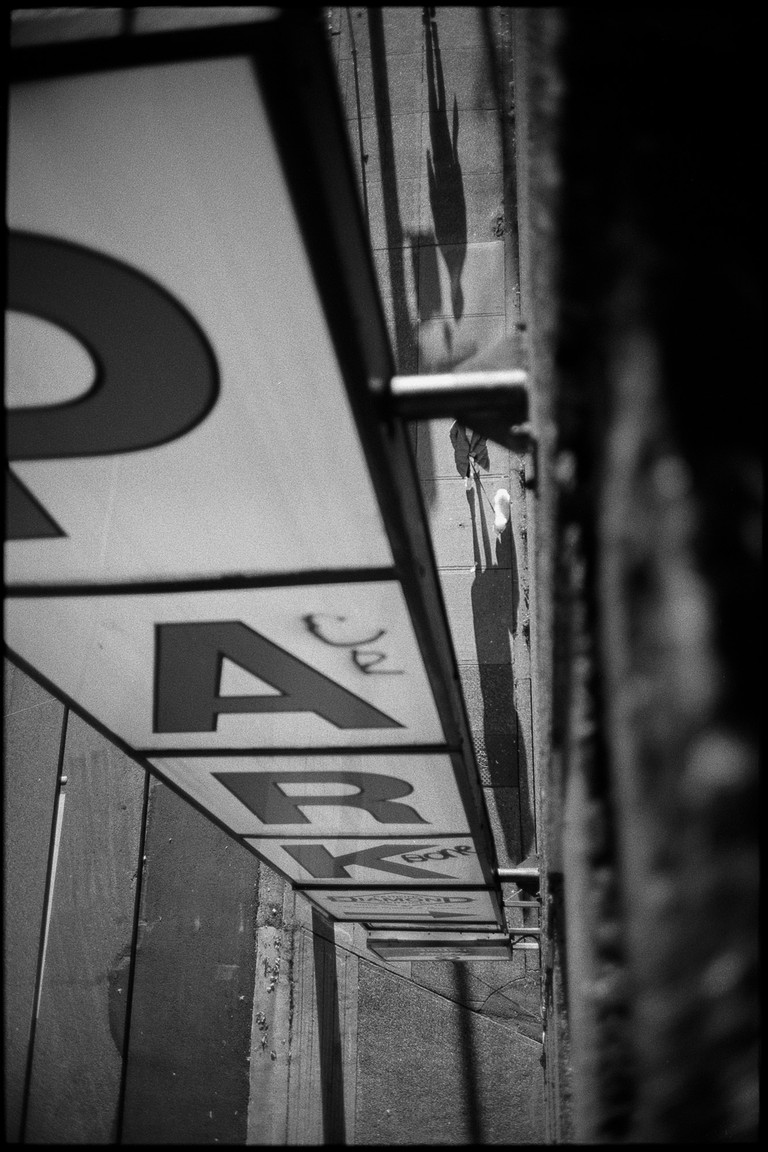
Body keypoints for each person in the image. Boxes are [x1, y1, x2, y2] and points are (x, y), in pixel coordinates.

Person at [449, 421, 489, 488]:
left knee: (476, 461)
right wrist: (456, 446)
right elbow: (452, 433)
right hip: (462, 450)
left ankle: (476, 466)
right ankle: (468, 478)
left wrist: (476, 451)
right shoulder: (458, 422)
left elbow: (483, 439)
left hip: (475, 449)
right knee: (465, 467)